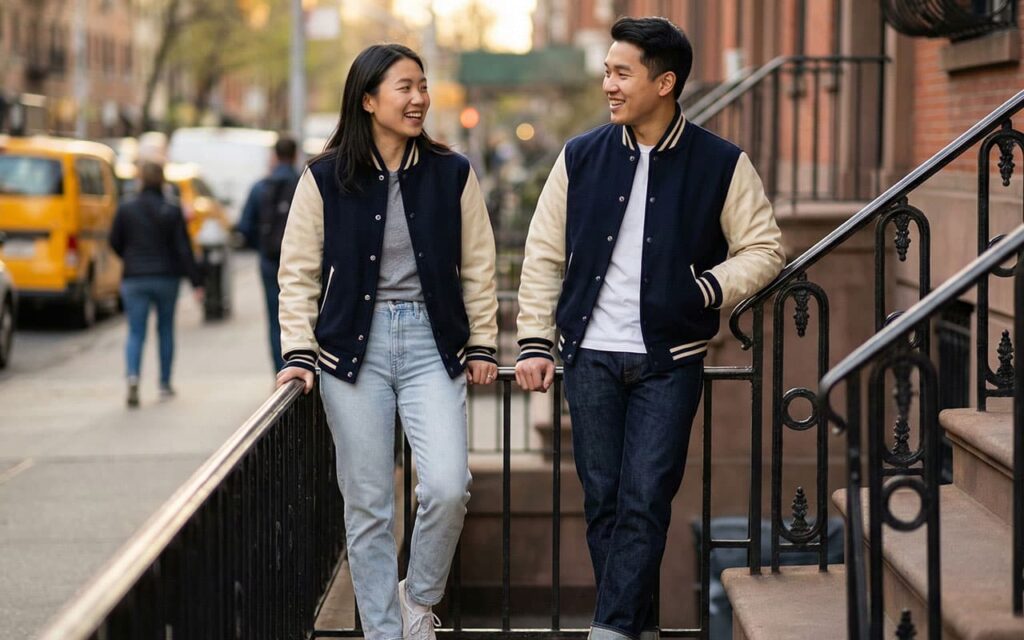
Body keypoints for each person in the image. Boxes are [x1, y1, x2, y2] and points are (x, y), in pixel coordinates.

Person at [515, 17, 785, 640]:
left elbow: (764, 248)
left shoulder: (721, 162)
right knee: (605, 503)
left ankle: (609, 629)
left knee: (645, 500)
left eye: (621, 73)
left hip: (670, 360)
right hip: (590, 359)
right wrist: (534, 339)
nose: (607, 84)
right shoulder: (580, 156)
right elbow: (543, 253)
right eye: (607, 71)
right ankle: (638, 629)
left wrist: (704, 289)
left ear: (664, 83)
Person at [275, 44, 499, 640]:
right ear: (368, 99)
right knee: (369, 504)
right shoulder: (324, 178)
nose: (419, 98)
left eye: (422, 86)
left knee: (449, 486)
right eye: (404, 87)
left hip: (432, 344)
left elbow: (478, 266)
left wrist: (483, 344)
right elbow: (296, 273)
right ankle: (382, 632)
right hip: (351, 352)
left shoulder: (453, 172)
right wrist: (298, 352)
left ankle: (418, 599)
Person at [110, 161, 204, 407]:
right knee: (165, 330)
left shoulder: (126, 208)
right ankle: (164, 383)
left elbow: (114, 241)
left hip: (135, 278)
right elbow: (184, 248)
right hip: (166, 277)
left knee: (135, 331)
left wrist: (130, 258)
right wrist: (196, 282)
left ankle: (133, 377)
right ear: (162, 181)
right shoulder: (171, 210)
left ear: (140, 180)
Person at [237, 136, 301, 372]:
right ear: (295, 155)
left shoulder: (261, 187)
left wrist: (263, 247)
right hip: (300, 263)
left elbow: (244, 227)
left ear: (274, 156)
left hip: (269, 262)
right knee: (302, 315)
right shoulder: (304, 183)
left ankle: (281, 372)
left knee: (276, 320)